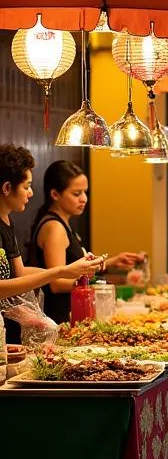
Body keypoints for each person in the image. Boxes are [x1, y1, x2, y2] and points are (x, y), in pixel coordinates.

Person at [0, 147, 103, 346]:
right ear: (6, 188)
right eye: (26, 186)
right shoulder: (52, 226)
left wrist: (74, 272)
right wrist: (62, 272)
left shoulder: (7, 220)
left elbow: (19, 272)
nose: (30, 193)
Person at [29, 160, 143, 323]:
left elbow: (76, 267)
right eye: (76, 194)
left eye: (85, 192)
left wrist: (111, 263)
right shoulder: (54, 228)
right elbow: (57, 283)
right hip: (58, 319)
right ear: (55, 194)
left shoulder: (64, 223)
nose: (84, 199)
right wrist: (96, 283)